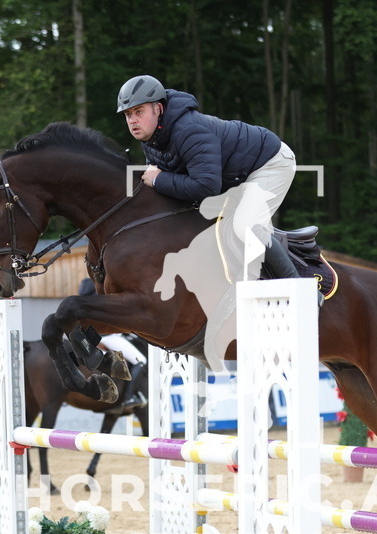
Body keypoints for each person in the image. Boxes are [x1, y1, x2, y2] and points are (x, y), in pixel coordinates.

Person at [116, 74, 300, 281]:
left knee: (245, 225)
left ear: (158, 108)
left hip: (270, 162)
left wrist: (159, 180)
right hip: (235, 179)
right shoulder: (152, 140)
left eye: (138, 112)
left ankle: (299, 287)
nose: (132, 120)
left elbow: (206, 186)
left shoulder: (189, 130)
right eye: (127, 115)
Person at [78, 278, 147, 409]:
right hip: (108, 337)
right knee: (141, 360)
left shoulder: (84, 293)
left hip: (90, 337)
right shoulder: (102, 291)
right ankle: (129, 397)